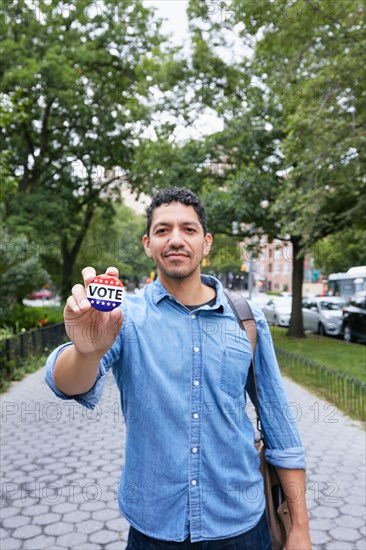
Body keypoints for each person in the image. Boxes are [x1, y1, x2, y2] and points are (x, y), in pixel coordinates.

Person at [45, 187, 312, 549]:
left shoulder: (247, 319)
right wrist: (87, 351)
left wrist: (300, 527)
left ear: (207, 243)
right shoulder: (124, 319)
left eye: (188, 229)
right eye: (162, 230)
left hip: (241, 524)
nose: (175, 240)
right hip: (154, 528)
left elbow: (280, 424)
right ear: (147, 244)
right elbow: (68, 384)